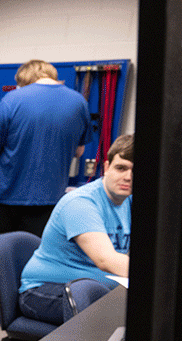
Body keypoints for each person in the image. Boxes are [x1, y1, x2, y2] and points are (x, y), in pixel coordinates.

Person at [0, 59, 92, 317]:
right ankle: (26, 303)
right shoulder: (78, 102)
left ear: (25, 78)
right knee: (37, 249)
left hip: (7, 191)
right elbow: (80, 150)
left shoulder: (13, 100)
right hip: (49, 196)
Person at [18, 134, 132, 324]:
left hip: (96, 288)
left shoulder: (129, 201)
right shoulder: (81, 203)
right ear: (106, 167)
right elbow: (105, 260)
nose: (128, 177)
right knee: (112, 317)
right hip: (43, 291)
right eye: (121, 168)